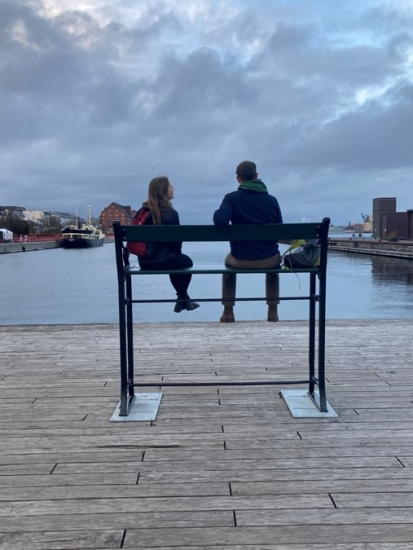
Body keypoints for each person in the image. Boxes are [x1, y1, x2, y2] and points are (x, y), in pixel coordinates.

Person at [213, 160, 283, 323]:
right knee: (274, 264)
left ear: (238, 179)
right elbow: (279, 230)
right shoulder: (272, 200)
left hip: (240, 259)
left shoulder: (231, 198)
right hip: (268, 259)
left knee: (227, 264)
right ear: (256, 176)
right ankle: (273, 311)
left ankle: (228, 311)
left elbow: (220, 221)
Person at [134, 175, 200, 313]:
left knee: (175, 260)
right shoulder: (171, 214)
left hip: (144, 262)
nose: (173, 189)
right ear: (163, 191)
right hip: (162, 261)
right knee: (185, 261)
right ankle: (182, 297)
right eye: (171, 186)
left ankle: (183, 299)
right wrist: (177, 253)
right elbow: (176, 244)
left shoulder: (142, 211)